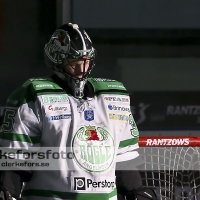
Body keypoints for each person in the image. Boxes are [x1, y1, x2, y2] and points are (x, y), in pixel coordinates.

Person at [0, 23, 157, 200]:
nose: (82, 69)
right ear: (57, 59)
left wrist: (134, 190)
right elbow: (17, 159)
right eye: (74, 62)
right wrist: (10, 192)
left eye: (85, 61)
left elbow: (123, 158)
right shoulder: (34, 95)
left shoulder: (114, 96)